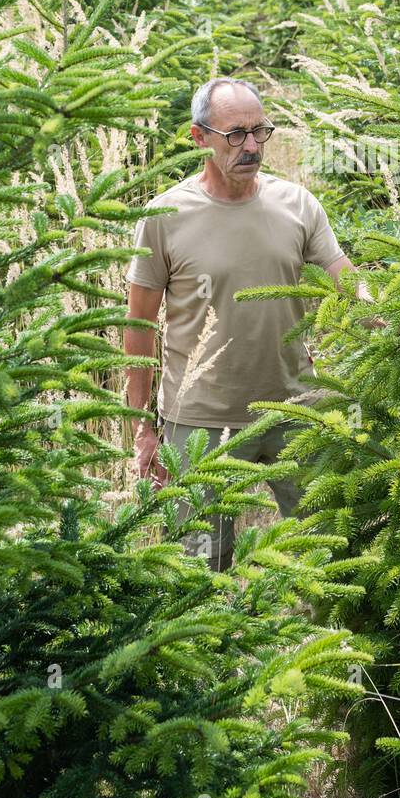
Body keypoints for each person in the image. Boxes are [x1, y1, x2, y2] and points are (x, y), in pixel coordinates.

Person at [124, 76, 379, 570]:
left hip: (296, 411)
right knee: (199, 571)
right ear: (199, 137)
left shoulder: (297, 204)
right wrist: (143, 428)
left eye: (260, 132)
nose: (251, 146)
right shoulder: (165, 215)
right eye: (235, 135)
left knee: (324, 559)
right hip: (198, 424)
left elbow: (348, 283)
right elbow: (138, 327)